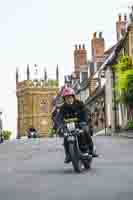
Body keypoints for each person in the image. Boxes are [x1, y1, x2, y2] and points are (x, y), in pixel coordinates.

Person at [57, 87, 98, 163]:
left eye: (70, 97)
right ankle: (68, 155)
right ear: (64, 99)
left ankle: (91, 149)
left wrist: (84, 122)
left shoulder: (80, 104)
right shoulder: (62, 108)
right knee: (66, 137)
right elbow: (59, 117)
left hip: (80, 123)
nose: (68, 99)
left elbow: (85, 113)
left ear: (73, 97)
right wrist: (60, 126)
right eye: (66, 98)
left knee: (85, 131)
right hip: (69, 126)